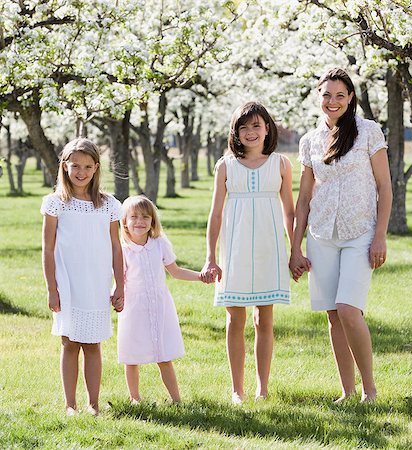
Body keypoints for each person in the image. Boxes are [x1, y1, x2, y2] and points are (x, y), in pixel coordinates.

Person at [289, 68, 392, 403]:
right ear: (319, 97)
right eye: (326, 95)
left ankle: (369, 389)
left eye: (339, 95)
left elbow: (384, 187)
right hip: (320, 236)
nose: (332, 101)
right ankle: (346, 392)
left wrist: (380, 236)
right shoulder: (309, 141)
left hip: (360, 232)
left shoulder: (368, 132)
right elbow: (303, 199)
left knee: (349, 310)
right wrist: (295, 247)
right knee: (333, 315)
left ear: (350, 99)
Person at [202, 101, 295, 404]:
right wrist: (211, 257)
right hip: (236, 247)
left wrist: (296, 250)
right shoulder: (225, 165)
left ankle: (262, 387)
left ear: (268, 128)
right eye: (244, 127)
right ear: (235, 132)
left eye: (256, 125)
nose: (251, 132)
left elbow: (289, 212)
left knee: (264, 320)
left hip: (269, 247)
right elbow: (215, 214)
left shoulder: (280, 163)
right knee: (234, 320)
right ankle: (236, 389)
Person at [41, 138, 124, 416]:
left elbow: (115, 246)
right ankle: (70, 404)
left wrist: (119, 284)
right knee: (69, 341)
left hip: (96, 282)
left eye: (88, 166)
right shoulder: (55, 204)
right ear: (65, 166)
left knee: (92, 343)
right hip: (68, 282)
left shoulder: (109, 204)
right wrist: (52, 288)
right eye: (75, 165)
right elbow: (48, 248)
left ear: (96, 168)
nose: (81, 172)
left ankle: (93, 403)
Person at [118, 195, 204, 404]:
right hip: (134, 307)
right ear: (125, 222)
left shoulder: (159, 244)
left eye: (145, 217)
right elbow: (119, 279)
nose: (140, 221)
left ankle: (176, 400)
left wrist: (200, 277)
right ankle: (135, 398)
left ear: (152, 221)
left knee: (164, 355)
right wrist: (115, 297)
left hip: (159, 305)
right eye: (134, 217)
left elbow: (175, 271)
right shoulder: (122, 249)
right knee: (132, 355)